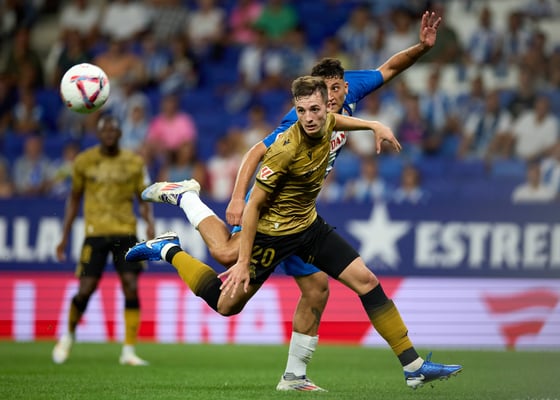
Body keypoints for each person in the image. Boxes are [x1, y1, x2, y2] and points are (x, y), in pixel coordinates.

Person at [139, 11, 443, 392]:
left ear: (344, 88)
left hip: (303, 221)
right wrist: (237, 197)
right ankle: (182, 209)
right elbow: (255, 151)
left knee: (318, 289)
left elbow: (389, 68)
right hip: (268, 212)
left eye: (336, 90)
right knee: (227, 265)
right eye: (323, 94)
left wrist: (422, 48)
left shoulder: (344, 97)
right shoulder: (295, 126)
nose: (331, 98)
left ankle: (297, 377)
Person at [52, 115, 155, 366]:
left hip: (125, 232)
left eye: (113, 130)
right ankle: (68, 335)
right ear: (98, 134)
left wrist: (150, 223)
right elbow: (74, 198)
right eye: (104, 130)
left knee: (131, 285)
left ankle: (128, 350)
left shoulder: (134, 162)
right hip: (95, 232)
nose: (109, 134)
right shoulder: (84, 161)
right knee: (86, 288)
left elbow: (143, 198)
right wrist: (64, 236)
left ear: (120, 134)